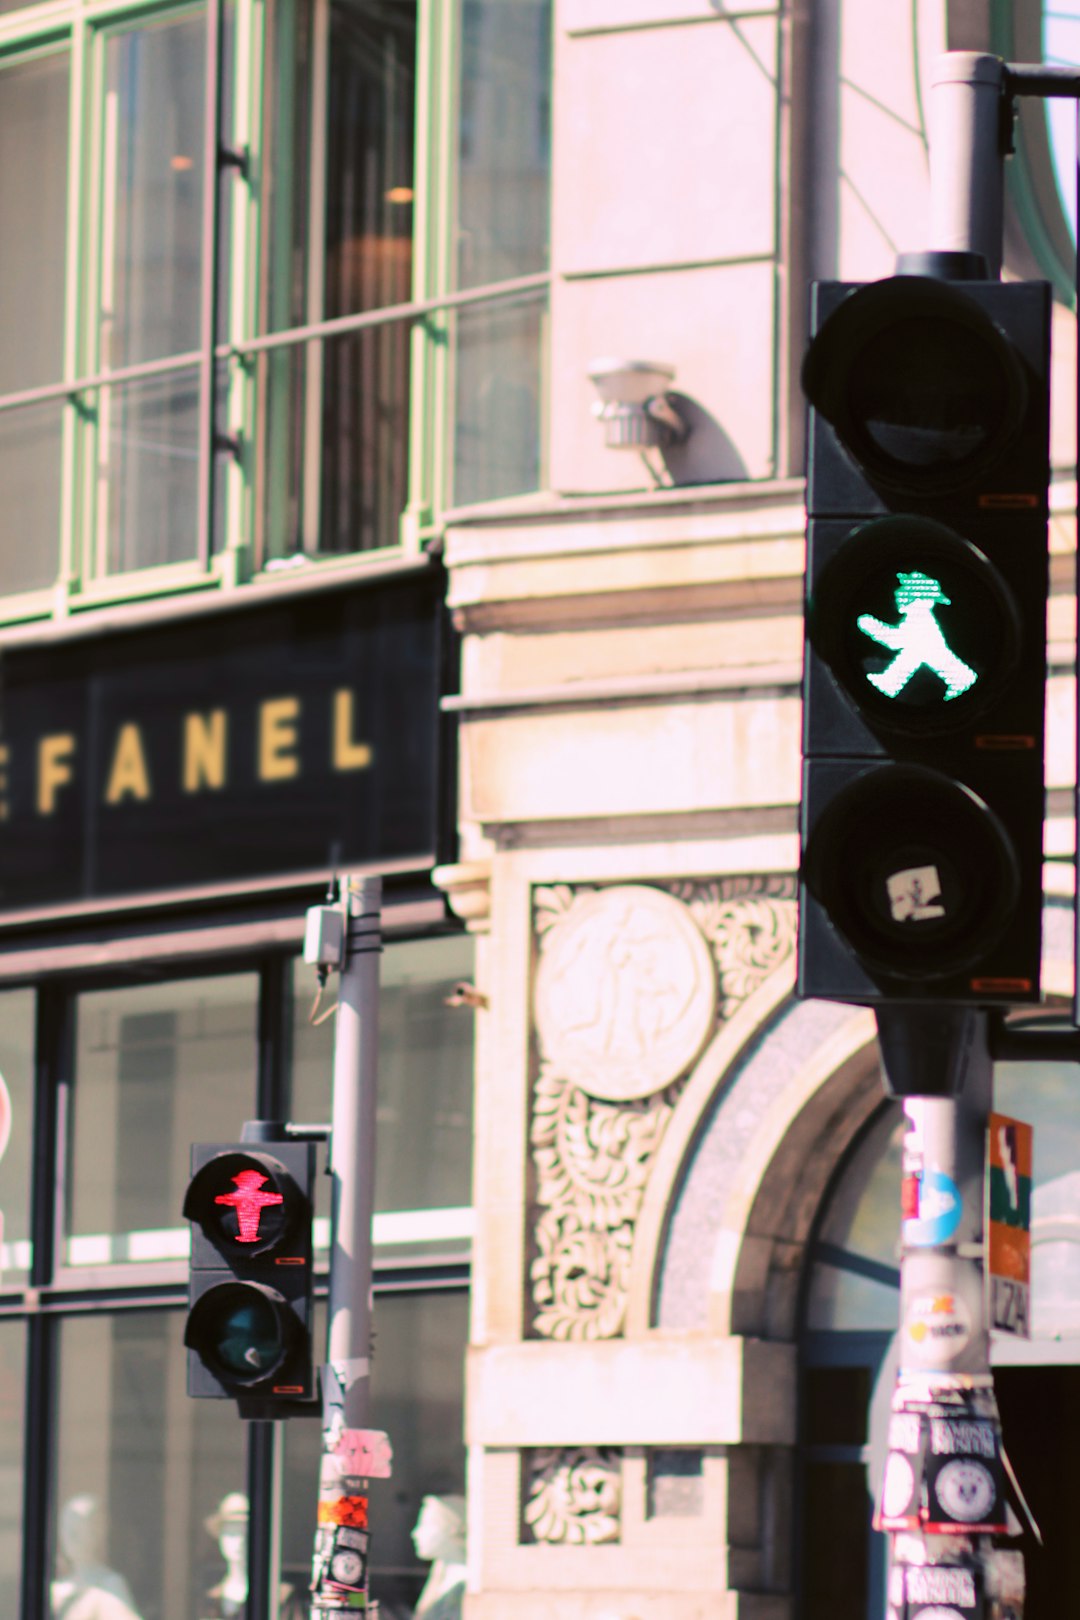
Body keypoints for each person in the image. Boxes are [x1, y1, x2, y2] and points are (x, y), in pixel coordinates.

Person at [200, 1492, 305, 1620]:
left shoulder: (282, 1597)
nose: (239, 1540)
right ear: (220, 1536)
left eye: (245, 1532)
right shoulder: (211, 1600)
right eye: (231, 1532)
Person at [51, 1495, 142, 1620]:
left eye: (79, 1527)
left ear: (97, 1532)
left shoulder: (109, 1586)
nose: (71, 1536)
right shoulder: (56, 1589)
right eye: (66, 1527)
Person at [411, 1495, 466, 1620]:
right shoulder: (441, 1577)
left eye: (425, 1524)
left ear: (452, 1528)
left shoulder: (462, 1585)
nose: (416, 1533)